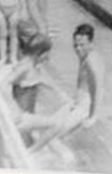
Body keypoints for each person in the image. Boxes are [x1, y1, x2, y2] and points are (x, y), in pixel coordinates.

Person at [24, 24, 106, 152]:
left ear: (91, 43)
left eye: (82, 45)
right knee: (49, 126)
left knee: (54, 135)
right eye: (75, 45)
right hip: (77, 103)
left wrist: (93, 116)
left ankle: (39, 157)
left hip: (84, 107)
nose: (78, 49)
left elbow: (99, 88)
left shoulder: (92, 60)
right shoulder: (85, 56)